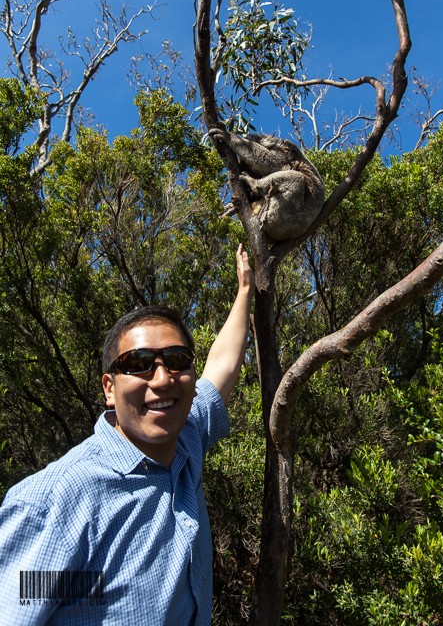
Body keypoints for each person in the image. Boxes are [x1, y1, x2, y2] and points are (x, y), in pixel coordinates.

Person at [0, 244, 255, 626]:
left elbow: (222, 367)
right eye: (139, 364)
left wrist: (245, 291)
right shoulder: (54, 504)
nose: (162, 378)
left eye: (177, 360)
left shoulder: (185, 438)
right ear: (108, 387)